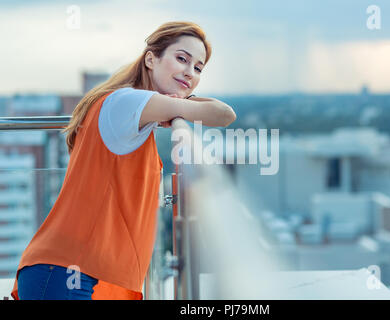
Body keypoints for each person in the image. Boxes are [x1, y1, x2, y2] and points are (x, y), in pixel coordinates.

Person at [11, 21, 236, 300]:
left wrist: (175, 103)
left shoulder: (127, 105)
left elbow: (223, 113)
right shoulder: (128, 102)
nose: (190, 72)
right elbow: (224, 114)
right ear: (151, 59)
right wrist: (179, 104)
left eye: (198, 68)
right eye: (182, 59)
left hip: (69, 272)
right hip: (65, 274)